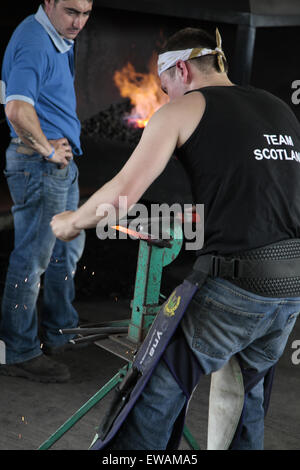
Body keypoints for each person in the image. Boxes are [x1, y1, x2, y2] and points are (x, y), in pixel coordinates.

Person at [51, 27, 300, 449]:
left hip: (236, 288)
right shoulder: (279, 109)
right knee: (242, 406)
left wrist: (71, 222)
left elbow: (123, 194)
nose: (166, 99)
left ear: (180, 69)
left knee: (149, 396)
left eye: (166, 89)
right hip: (290, 290)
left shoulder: (185, 108)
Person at [0, 0, 93, 383]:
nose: (79, 22)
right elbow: (16, 108)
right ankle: (18, 350)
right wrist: (48, 149)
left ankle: (61, 332)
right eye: (72, 11)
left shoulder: (54, 37)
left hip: (58, 168)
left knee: (65, 252)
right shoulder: (36, 41)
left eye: (86, 13)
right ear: (49, 3)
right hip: (40, 167)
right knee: (33, 259)